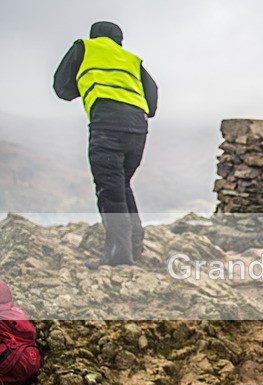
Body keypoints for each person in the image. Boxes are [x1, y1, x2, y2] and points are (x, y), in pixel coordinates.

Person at [53, 21, 158, 269]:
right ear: (119, 39)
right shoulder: (132, 58)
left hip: (108, 126)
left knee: (110, 190)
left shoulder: (84, 47)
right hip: (138, 129)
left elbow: (62, 87)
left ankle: (118, 255)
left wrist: (87, 87)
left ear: (95, 34)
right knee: (121, 184)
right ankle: (135, 244)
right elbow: (152, 96)